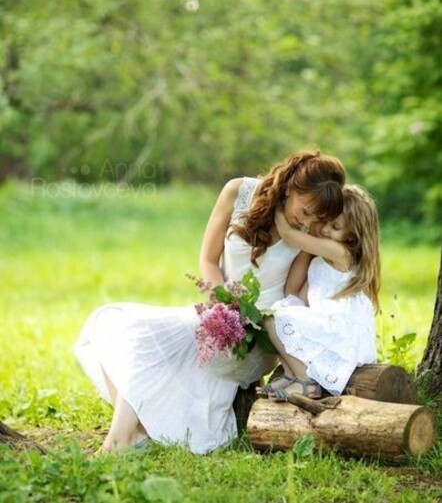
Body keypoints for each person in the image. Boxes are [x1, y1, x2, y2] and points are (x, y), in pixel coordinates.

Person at [74, 149, 346, 454]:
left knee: (156, 341)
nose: (306, 220)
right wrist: (224, 306)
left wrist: (293, 237)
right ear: (292, 186)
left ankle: (119, 442)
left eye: (314, 217)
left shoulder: (306, 234)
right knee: (119, 325)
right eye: (305, 209)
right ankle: (132, 435)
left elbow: (292, 298)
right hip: (220, 314)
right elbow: (208, 260)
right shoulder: (238, 191)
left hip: (259, 337)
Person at [257, 184, 381, 400]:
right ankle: (291, 374)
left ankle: (306, 381)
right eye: (324, 221)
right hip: (324, 319)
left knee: (272, 319)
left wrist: (275, 202)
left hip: (340, 327)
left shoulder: (341, 253)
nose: (324, 229)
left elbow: (288, 234)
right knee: (281, 312)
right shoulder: (320, 259)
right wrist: (309, 246)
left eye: (335, 227)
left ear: (351, 236)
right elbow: (293, 293)